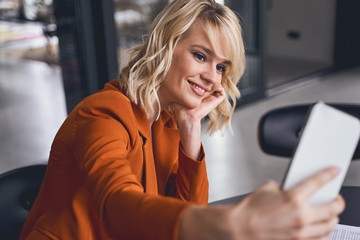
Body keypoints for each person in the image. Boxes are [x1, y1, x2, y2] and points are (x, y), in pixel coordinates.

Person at [20, 0, 345, 239]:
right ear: (165, 47)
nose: (213, 78)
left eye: (221, 67)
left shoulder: (168, 121)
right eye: (200, 56)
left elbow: (188, 208)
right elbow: (118, 202)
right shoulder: (102, 113)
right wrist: (228, 225)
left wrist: (191, 127)